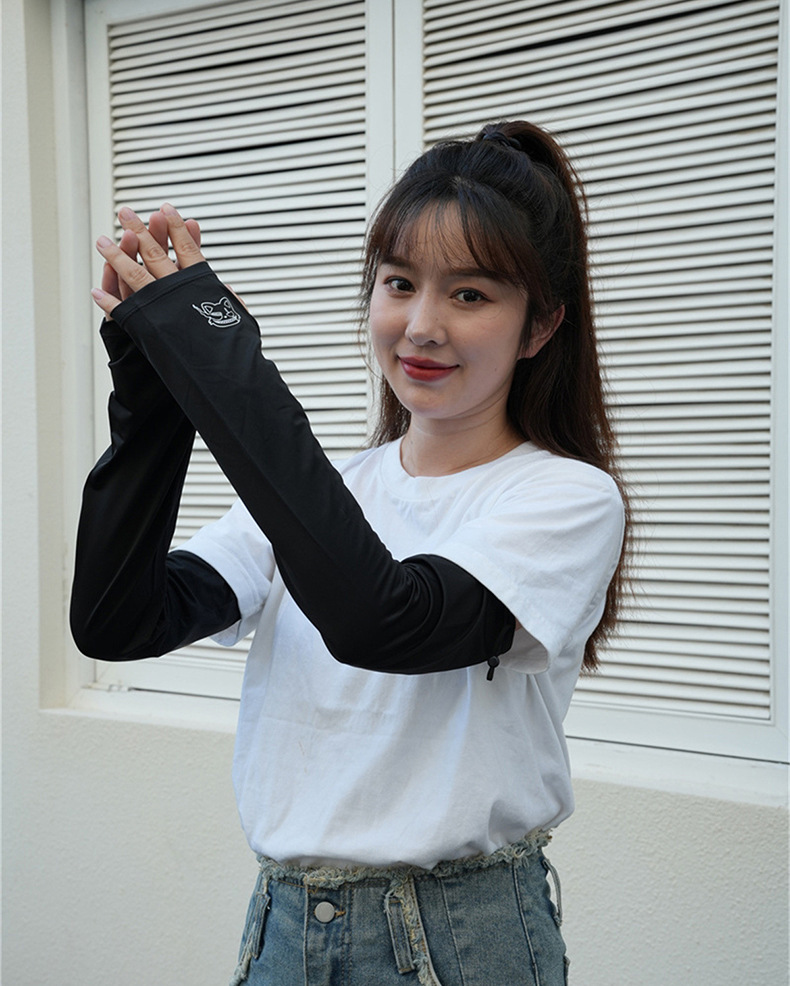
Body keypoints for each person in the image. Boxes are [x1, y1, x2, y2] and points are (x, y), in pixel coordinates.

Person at [72, 120, 628, 986]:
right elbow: (120, 620)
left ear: (540, 326)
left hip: (458, 941)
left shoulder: (565, 499)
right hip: (285, 929)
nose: (422, 327)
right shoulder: (328, 493)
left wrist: (221, 362)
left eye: (470, 294)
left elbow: (384, 619)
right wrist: (156, 394)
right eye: (399, 284)